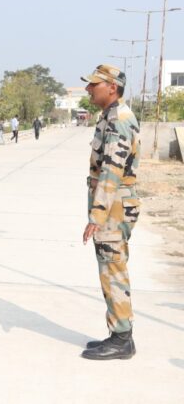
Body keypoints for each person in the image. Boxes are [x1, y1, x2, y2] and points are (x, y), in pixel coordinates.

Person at [80, 64, 140, 360]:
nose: (89, 89)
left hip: (114, 205)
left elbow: (111, 171)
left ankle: (122, 339)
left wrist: (97, 214)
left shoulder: (119, 120)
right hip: (112, 204)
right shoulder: (109, 116)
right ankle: (118, 333)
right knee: (109, 267)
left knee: (113, 269)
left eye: (95, 84)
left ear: (112, 87)